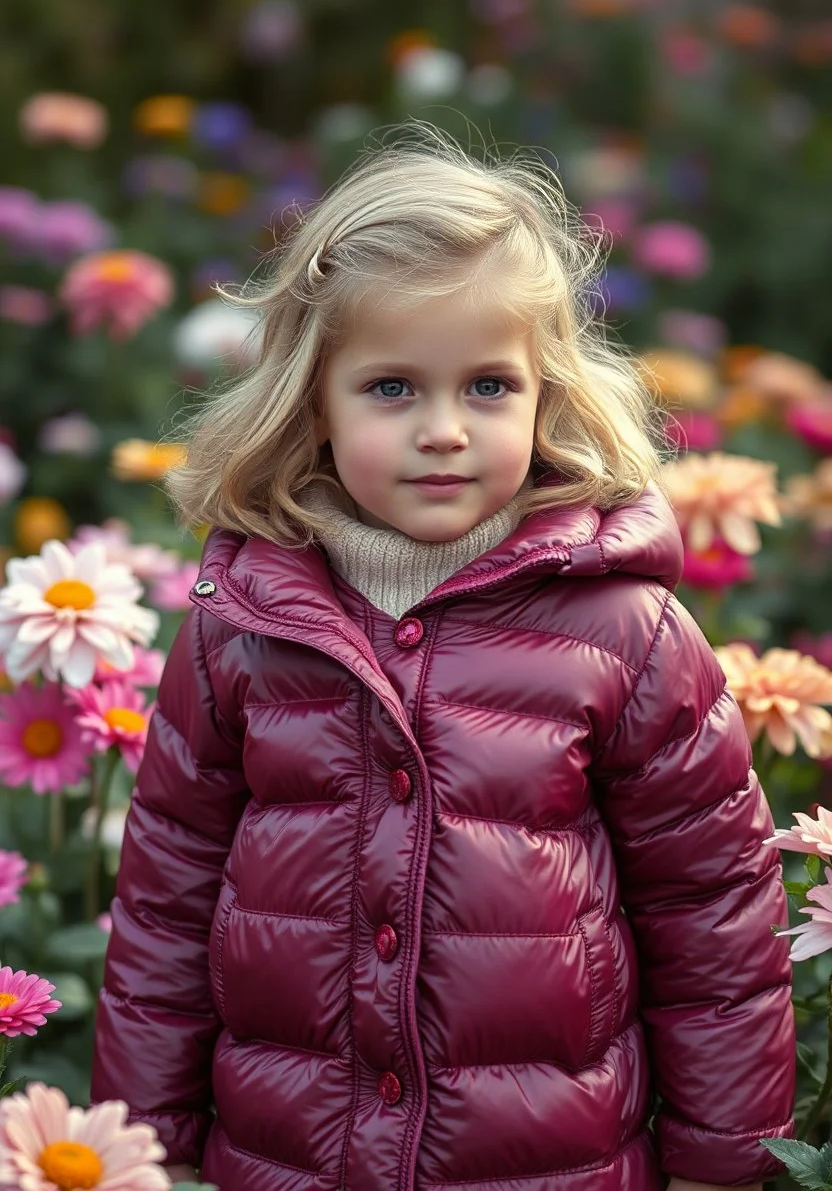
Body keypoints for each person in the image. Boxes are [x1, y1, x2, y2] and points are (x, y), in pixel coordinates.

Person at [90, 122, 796, 1191]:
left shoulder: (626, 633)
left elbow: (712, 918)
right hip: (287, 1159)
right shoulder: (243, 625)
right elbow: (166, 902)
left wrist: (721, 1158)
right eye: (391, 389)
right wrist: (141, 1145)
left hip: (546, 1164)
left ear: (546, 392)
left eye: (486, 387)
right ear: (313, 404)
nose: (443, 430)